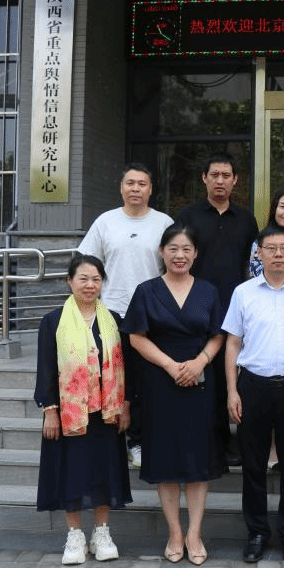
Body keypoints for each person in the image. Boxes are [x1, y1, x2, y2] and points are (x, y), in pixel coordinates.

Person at [122, 223, 224, 566]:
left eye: (186, 249)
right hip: (159, 382)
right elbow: (136, 337)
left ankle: (194, 533)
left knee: (196, 462)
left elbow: (217, 335)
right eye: (173, 249)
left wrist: (199, 362)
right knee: (165, 461)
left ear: (195, 254)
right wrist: (170, 365)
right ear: (162, 252)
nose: (180, 255)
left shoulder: (208, 291)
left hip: (199, 381)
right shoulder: (147, 290)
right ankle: (174, 533)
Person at [223, 225, 284, 564]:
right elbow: (233, 343)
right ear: (259, 253)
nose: (278, 254)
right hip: (253, 386)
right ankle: (257, 533)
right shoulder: (243, 292)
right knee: (253, 466)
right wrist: (232, 391)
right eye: (271, 248)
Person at [35, 254, 131, 566]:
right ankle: (75, 535)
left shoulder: (113, 320)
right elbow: (46, 368)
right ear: (69, 281)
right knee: (71, 473)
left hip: (106, 412)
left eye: (96, 279)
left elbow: (126, 368)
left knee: (104, 471)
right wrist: (50, 410)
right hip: (69, 414)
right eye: (83, 279)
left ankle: (101, 533)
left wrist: (125, 406)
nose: (90, 285)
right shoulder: (53, 321)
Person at [77, 162, 174, 468]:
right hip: (111, 312)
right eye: (130, 183)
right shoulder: (105, 222)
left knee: (144, 381)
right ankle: (107, 441)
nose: (135, 189)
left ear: (150, 189)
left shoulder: (164, 223)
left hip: (151, 314)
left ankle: (139, 441)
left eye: (142, 184)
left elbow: (174, 266)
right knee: (108, 379)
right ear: (121, 188)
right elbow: (87, 265)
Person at [176, 152, 259, 467]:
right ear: (204, 178)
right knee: (201, 377)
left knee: (230, 378)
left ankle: (228, 443)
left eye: (226, 175)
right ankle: (200, 441)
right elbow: (177, 259)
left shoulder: (246, 219)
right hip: (196, 306)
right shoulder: (188, 217)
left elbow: (252, 265)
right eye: (214, 175)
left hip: (236, 308)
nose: (220, 181)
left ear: (235, 180)